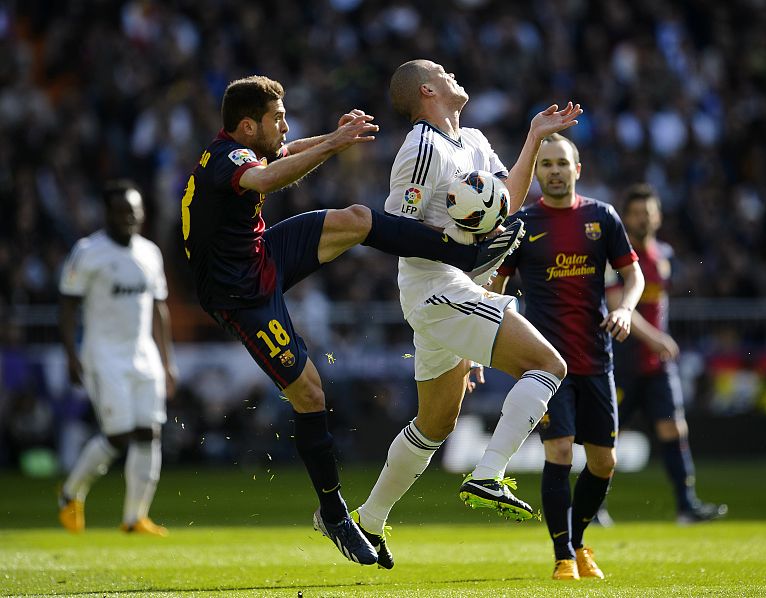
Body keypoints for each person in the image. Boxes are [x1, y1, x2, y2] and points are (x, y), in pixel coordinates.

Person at [180, 75, 524, 566]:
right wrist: (336, 144)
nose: (286, 125)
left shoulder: (235, 149)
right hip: (240, 295)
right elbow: (264, 179)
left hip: (261, 255)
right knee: (309, 393)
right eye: (277, 119)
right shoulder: (229, 162)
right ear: (247, 125)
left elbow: (278, 157)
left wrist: (327, 139)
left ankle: (458, 254)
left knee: (357, 219)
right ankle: (334, 513)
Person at [352, 59, 582, 569]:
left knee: (436, 422)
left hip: (459, 290)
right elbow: (396, 228)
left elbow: (508, 199)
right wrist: (462, 252)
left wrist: (534, 137)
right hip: (435, 288)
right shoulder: (419, 148)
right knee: (549, 365)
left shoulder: (473, 139)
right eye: (442, 70)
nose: (454, 73)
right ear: (428, 89)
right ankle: (489, 472)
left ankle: (366, 518)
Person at [482, 133, 645, 580]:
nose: (553, 170)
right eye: (546, 163)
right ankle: (563, 558)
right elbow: (495, 290)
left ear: (578, 169)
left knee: (603, 463)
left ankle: (577, 542)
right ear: (537, 173)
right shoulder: (523, 223)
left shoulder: (602, 217)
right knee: (558, 452)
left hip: (596, 359)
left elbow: (634, 275)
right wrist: (480, 345)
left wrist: (626, 309)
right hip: (547, 366)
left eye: (561, 163)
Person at [58, 180, 178, 536]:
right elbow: (66, 305)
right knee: (118, 436)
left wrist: (168, 361)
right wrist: (70, 354)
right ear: (106, 213)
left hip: (144, 354)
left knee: (149, 433)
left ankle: (134, 517)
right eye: (122, 211)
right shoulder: (87, 251)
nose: (130, 218)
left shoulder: (150, 253)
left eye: (135, 212)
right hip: (103, 355)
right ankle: (70, 494)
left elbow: (160, 309)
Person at [604, 183, 727, 525]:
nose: (644, 218)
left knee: (675, 429)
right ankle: (594, 508)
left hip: (657, 365)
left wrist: (659, 342)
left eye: (649, 212)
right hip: (622, 361)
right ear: (626, 217)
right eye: (637, 212)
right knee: (606, 439)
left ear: (658, 216)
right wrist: (656, 338)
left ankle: (687, 506)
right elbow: (617, 304)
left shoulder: (665, 254)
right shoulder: (616, 256)